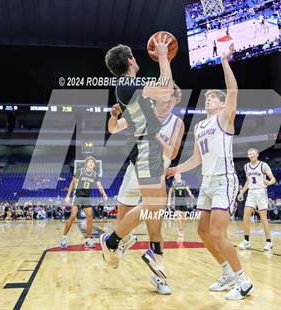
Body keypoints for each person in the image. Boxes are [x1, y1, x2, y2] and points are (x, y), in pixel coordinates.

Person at [167, 43, 254, 300]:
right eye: (206, 98)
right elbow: (196, 158)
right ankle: (227, 272)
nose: (208, 100)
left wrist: (225, 62)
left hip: (224, 181)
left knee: (217, 232)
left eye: (212, 98)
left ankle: (244, 280)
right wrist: (175, 169)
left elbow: (233, 90)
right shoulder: (200, 126)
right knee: (202, 232)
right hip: (206, 182)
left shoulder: (224, 118)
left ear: (220, 103)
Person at [100, 34, 174, 279]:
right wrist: (163, 56)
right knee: (153, 205)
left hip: (148, 147)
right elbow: (166, 90)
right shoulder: (127, 85)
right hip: (145, 149)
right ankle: (112, 240)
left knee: (157, 207)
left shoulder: (128, 87)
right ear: (131, 61)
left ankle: (156, 253)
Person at [108, 82, 184, 295]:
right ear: (158, 97)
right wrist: (114, 116)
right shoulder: (142, 114)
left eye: (173, 101)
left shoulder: (177, 123)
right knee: (123, 223)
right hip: (135, 169)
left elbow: (173, 153)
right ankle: (118, 242)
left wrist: (158, 138)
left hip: (157, 172)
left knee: (155, 226)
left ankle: (159, 275)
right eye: (166, 99)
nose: (169, 104)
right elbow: (113, 129)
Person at [60, 157, 108, 248]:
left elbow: (99, 186)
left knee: (90, 218)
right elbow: (72, 183)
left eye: (92, 162)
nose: (91, 163)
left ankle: (88, 240)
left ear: (94, 165)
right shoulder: (80, 171)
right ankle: (64, 237)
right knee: (73, 216)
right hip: (77, 196)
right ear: (86, 164)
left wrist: (104, 193)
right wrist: (68, 196)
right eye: (89, 161)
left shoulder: (95, 174)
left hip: (86, 197)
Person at [237, 148, 276, 251]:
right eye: (249, 154)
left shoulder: (263, 165)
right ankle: (246, 241)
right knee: (245, 216)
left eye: (253, 154)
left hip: (261, 192)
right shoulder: (246, 166)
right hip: (251, 192)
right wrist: (242, 192)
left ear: (257, 155)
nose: (251, 155)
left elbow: (273, 179)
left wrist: (269, 182)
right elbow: (248, 181)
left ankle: (269, 242)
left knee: (263, 218)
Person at [168, 173, 194, 238]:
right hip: (176, 201)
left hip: (184, 201)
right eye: (176, 175)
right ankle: (180, 230)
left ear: (180, 176)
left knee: (184, 218)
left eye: (178, 175)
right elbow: (170, 193)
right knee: (178, 216)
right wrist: (169, 201)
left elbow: (188, 189)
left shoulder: (184, 182)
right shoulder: (173, 183)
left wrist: (190, 194)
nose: (177, 176)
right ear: (174, 177)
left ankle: (178, 226)